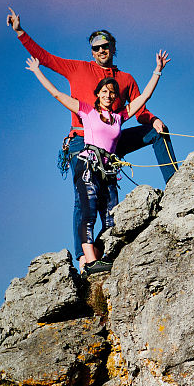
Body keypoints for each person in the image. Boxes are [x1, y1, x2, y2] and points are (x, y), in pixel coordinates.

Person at [7, 8, 178, 254]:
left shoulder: (126, 78)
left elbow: (140, 108)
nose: (101, 51)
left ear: (113, 47)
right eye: (96, 48)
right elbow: (44, 57)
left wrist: (154, 120)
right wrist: (21, 32)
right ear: (91, 51)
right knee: (84, 199)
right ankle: (84, 258)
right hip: (81, 142)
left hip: (111, 142)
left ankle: (175, 184)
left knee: (155, 134)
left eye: (105, 46)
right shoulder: (77, 69)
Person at [25, 50, 170, 274]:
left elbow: (144, 98)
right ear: (97, 94)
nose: (109, 95)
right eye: (104, 91)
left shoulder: (119, 116)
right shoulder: (87, 111)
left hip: (108, 168)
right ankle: (89, 261)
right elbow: (57, 94)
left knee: (111, 212)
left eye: (112, 92)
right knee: (88, 210)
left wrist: (157, 71)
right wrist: (37, 71)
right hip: (88, 164)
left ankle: (105, 254)